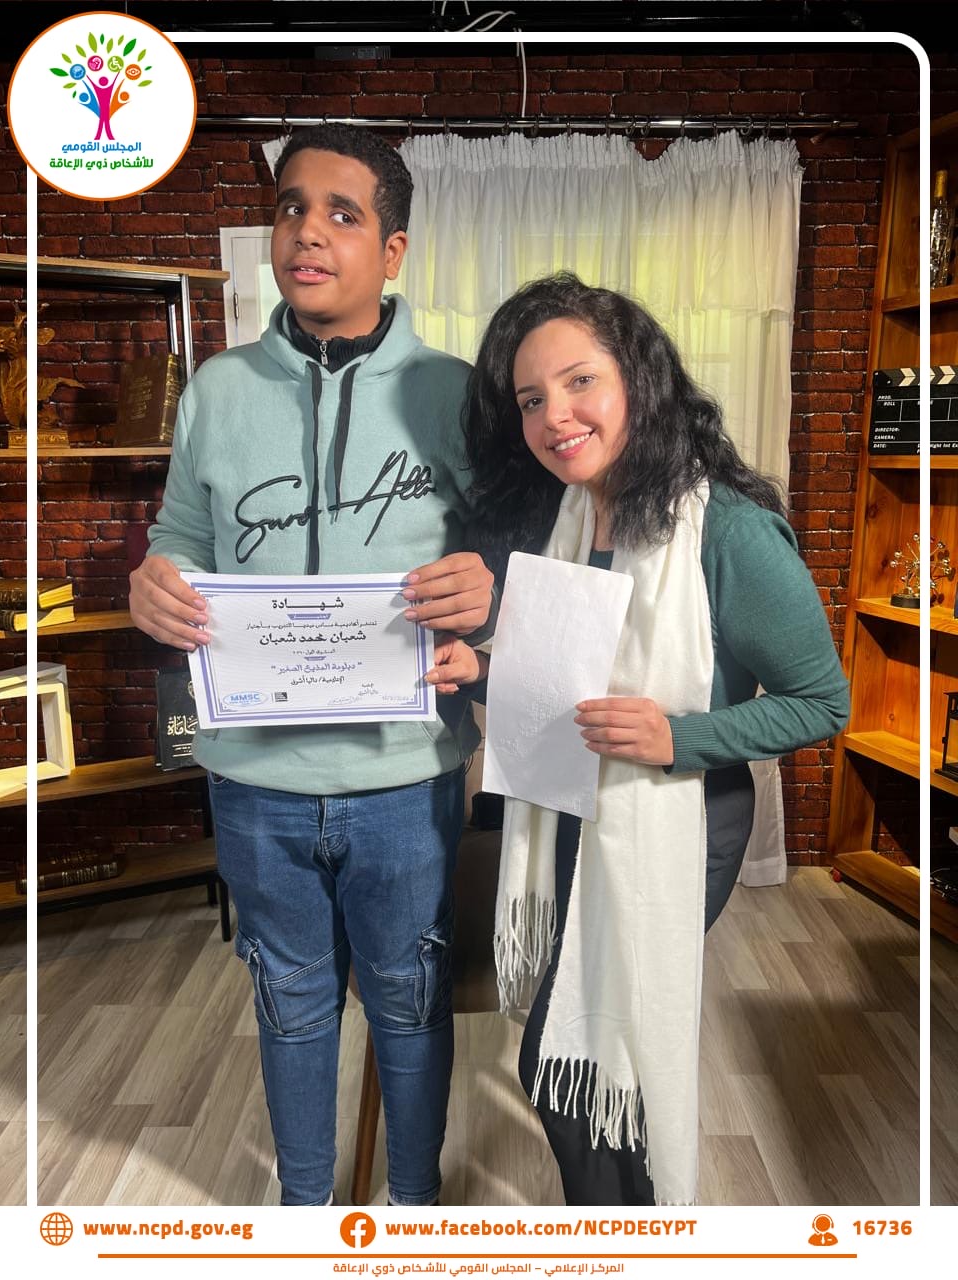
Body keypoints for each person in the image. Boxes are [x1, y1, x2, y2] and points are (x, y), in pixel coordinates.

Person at [426, 272, 849, 1206]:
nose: (554, 416)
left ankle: (630, 1230)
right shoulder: (569, 515)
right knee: (580, 1057)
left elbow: (822, 702)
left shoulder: (730, 531)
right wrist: (479, 672)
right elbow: (570, 688)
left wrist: (677, 736)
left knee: (573, 1059)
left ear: (639, 381)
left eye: (580, 381)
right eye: (530, 399)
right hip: (573, 798)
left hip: (680, 814)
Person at [130, 124, 495, 1208]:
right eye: (291, 207)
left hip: (406, 775)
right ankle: (304, 1212)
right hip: (255, 779)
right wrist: (154, 581)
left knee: (409, 1001)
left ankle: (413, 1206)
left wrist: (491, 594)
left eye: (343, 213)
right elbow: (179, 537)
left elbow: (517, 552)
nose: (308, 232)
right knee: (287, 1000)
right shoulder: (216, 390)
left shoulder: (459, 393)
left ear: (394, 249)